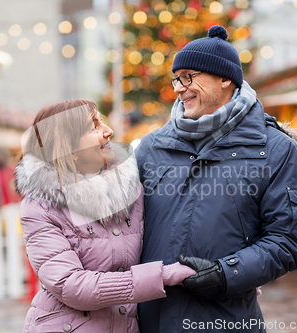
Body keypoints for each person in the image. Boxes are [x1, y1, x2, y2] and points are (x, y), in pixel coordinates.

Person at [135, 26, 297, 333]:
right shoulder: (151, 147)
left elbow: (292, 240)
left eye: (188, 76)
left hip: (224, 320)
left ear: (225, 79)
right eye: (177, 78)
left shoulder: (275, 149)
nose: (179, 87)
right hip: (151, 320)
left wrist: (226, 273)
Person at [15, 100, 196, 333]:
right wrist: (164, 276)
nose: (108, 131)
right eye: (93, 126)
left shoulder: (131, 189)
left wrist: (225, 277)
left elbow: (174, 229)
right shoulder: (41, 206)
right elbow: (72, 286)